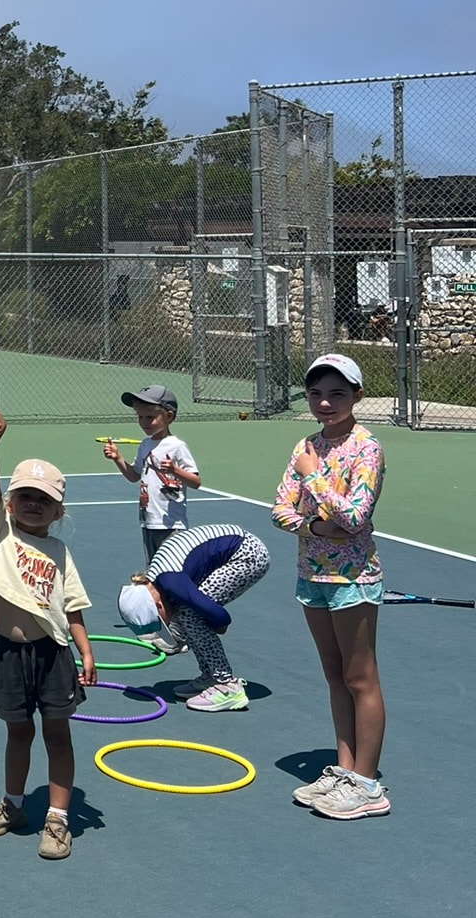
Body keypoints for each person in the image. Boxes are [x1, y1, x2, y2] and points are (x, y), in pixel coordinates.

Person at [273, 351, 389, 820]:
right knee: (334, 676)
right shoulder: (306, 444)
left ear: (357, 396)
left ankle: (367, 783)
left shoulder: (367, 448)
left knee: (361, 677)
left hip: (353, 579)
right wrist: (317, 529)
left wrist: (313, 479)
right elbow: (280, 510)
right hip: (312, 575)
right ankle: (344, 770)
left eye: (337, 394)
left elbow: (356, 517)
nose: (325, 403)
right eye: (317, 393)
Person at [0, 430, 96, 861]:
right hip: (8, 654)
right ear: (9, 502)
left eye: (43, 499)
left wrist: (85, 651)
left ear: (57, 510)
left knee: (57, 734)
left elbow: (74, 606)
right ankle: (14, 804)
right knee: (18, 731)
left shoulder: (59, 551)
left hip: (52, 655)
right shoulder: (0, 535)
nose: (32, 503)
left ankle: (58, 818)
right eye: (24, 495)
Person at [118, 523, 270, 712]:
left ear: (158, 606)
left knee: (191, 614)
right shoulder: (157, 580)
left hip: (248, 554)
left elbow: (218, 615)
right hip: (239, 548)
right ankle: (210, 676)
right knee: (186, 612)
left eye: (162, 622)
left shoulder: (171, 581)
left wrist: (217, 624)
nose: (167, 624)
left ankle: (227, 686)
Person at [102, 384, 201, 562]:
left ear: (168, 416)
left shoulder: (177, 446)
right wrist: (117, 458)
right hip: (148, 522)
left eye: (150, 417)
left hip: (172, 526)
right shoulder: (145, 445)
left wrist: (174, 470)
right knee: (153, 572)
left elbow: (195, 481)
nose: (144, 422)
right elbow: (134, 475)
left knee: (172, 572)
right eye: (140, 417)